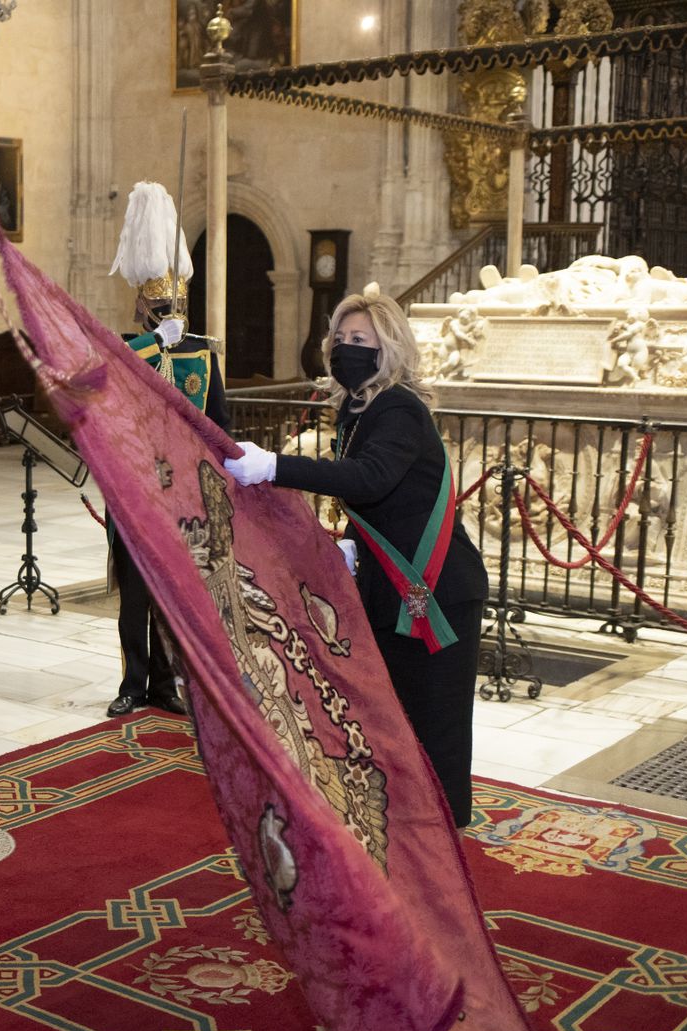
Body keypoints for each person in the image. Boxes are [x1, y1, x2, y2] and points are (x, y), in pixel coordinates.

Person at [223, 289, 489, 827]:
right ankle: (407, 828)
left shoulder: (397, 408)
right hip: (391, 582)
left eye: (360, 340)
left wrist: (275, 465)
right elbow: (385, 498)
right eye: (340, 339)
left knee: (436, 725)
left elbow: (370, 478)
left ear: (388, 347)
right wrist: (356, 545)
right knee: (391, 720)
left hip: (433, 588)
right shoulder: (357, 408)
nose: (346, 349)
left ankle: (443, 840)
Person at [105, 182, 229, 718]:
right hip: (133, 486)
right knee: (135, 592)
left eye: (174, 304)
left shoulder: (203, 354)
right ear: (143, 307)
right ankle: (133, 681)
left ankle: (165, 681)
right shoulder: (127, 350)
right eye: (159, 306)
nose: (168, 311)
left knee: (176, 590)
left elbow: (219, 420)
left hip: (183, 488)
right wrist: (157, 343)